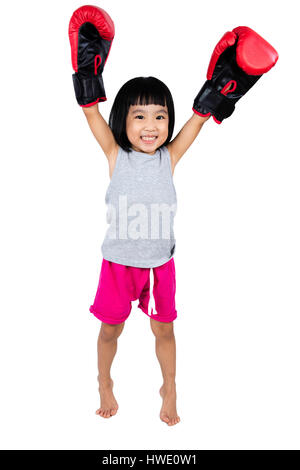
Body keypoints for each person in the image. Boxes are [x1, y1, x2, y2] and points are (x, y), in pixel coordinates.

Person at [68, 6, 278, 426]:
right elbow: (90, 111)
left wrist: (220, 87)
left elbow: (200, 119)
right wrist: (86, 69)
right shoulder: (116, 155)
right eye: (139, 116)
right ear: (123, 121)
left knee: (164, 330)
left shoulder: (170, 156)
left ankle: (171, 388)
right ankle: (103, 381)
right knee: (110, 330)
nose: (151, 126)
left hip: (160, 266)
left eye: (160, 116)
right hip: (117, 264)